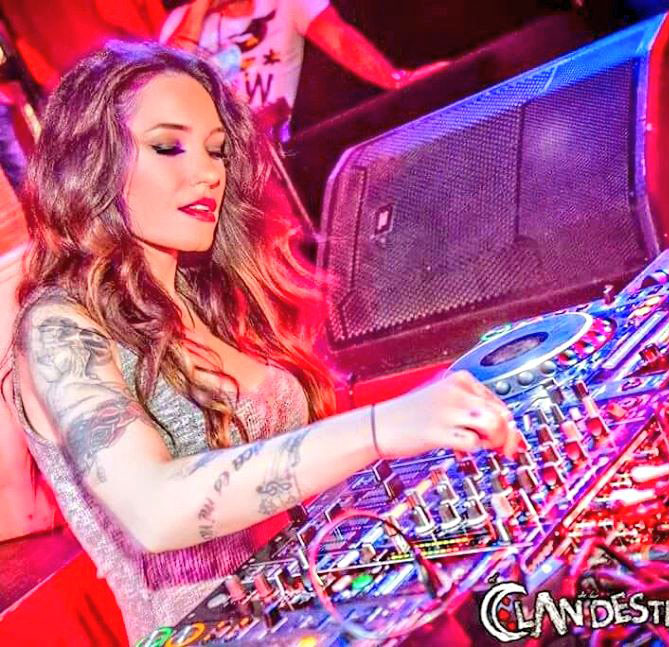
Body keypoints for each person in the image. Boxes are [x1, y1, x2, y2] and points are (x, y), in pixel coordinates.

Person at [7, 41, 516, 644]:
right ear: (93, 163)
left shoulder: (206, 297)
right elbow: (154, 509)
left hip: (332, 611)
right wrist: (382, 428)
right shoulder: (59, 325)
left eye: (216, 149)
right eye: (168, 146)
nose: (207, 172)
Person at [160, 0, 448, 138]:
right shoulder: (180, 23)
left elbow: (340, 38)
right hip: (216, 157)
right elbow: (166, 80)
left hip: (276, 150)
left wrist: (395, 80)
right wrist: (198, 10)